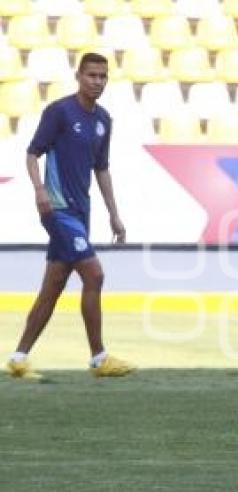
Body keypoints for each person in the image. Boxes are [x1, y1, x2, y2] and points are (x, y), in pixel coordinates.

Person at [6, 52, 135, 381]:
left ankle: (19, 357)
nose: (98, 81)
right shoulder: (60, 112)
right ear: (78, 76)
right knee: (94, 275)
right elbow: (33, 153)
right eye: (92, 75)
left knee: (53, 285)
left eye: (103, 76)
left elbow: (102, 169)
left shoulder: (104, 120)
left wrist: (115, 215)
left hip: (82, 212)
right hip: (58, 209)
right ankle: (99, 358)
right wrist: (39, 190)